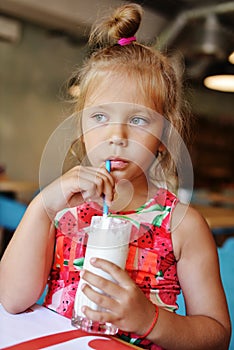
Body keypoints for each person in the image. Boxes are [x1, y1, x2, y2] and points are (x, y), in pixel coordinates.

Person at [0, 3, 231, 349]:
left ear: (165, 137)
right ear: (80, 128)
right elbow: (13, 299)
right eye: (99, 117)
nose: (116, 135)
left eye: (138, 120)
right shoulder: (62, 209)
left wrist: (148, 320)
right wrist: (42, 206)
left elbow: (216, 336)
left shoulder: (181, 225)